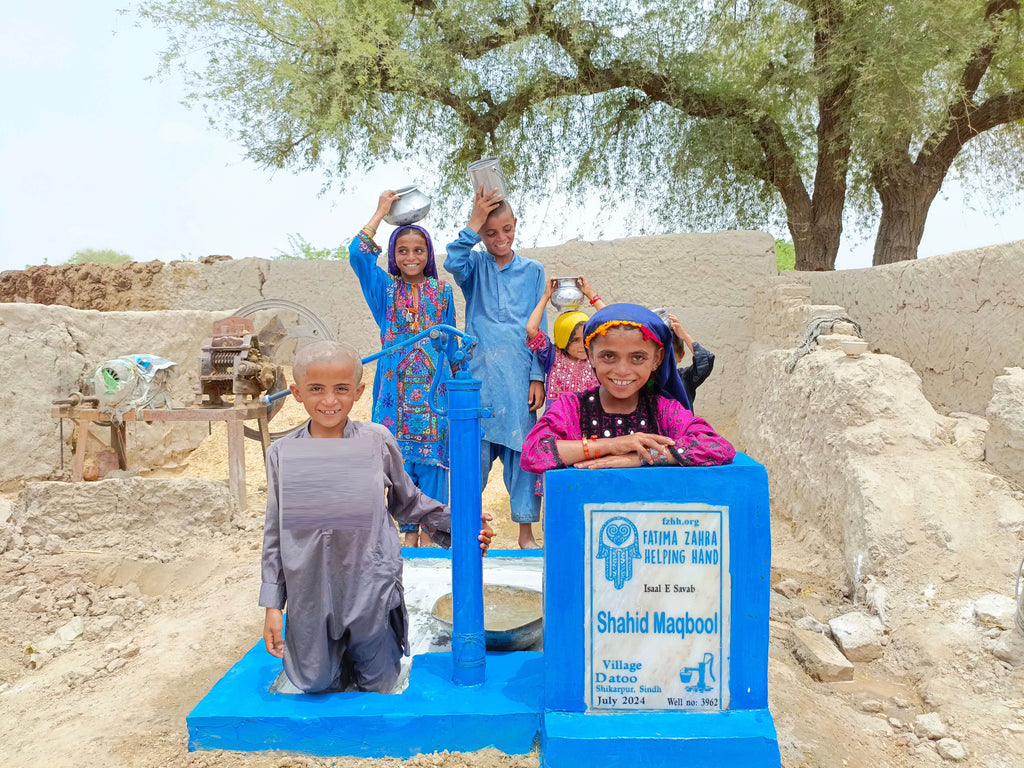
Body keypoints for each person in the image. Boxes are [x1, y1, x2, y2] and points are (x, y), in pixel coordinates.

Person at [260, 341, 492, 693]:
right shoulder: (282, 453)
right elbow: (275, 533)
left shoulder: (376, 441)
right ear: (296, 393)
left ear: (358, 391)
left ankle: (364, 650)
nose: (329, 401)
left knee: (381, 682)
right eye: (316, 390)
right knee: (314, 683)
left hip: (369, 584)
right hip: (309, 588)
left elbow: (407, 502)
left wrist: (461, 524)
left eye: (341, 389)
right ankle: (329, 656)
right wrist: (273, 606)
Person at [349, 191, 455, 547]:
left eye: (419, 250)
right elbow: (357, 255)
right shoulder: (384, 289)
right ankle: (404, 543)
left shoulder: (442, 292)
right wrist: (380, 211)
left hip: (435, 396)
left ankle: (431, 536)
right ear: (393, 256)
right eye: (403, 251)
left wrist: (458, 386)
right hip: (393, 396)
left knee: (435, 463)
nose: (411, 257)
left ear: (429, 255)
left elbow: (452, 345)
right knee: (395, 460)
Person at [444, 186, 546, 549]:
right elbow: (452, 260)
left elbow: (539, 325)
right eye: (490, 233)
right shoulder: (474, 267)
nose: (500, 238)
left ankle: (525, 534)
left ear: (515, 225)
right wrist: (473, 223)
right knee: (475, 455)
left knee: (524, 456)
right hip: (480, 373)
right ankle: (468, 530)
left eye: (506, 229)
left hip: (519, 376)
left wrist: (538, 375)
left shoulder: (533, 271)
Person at [520, 304, 735, 472]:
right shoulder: (572, 408)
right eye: (609, 356)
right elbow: (533, 453)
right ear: (591, 356)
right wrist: (613, 445)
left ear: (657, 359)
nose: (622, 371)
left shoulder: (663, 410)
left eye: (638, 357)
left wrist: (641, 457)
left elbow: (716, 447)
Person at [525, 275, 604, 402]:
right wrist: (546, 297)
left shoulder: (595, 359)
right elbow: (531, 329)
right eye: (575, 340)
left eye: (585, 339)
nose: (582, 345)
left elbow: (613, 322)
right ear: (563, 340)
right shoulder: (552, 356)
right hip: (558, 421)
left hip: (587, 421)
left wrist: (590, 294)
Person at [665, 313, 716, 409]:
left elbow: (705, 362)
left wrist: (684, 335)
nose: (664, 361)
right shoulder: (648, 379)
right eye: (660, 355)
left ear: (681, 356)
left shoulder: (685, 378)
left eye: (670, 356)